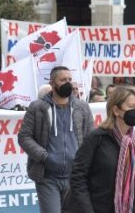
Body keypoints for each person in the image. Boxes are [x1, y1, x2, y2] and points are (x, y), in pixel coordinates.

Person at [66, 85, 135, 213]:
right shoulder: (96, 138)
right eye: (131, 107)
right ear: (116, 110)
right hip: (97, 207)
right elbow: (78, 177)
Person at [19, 66, 94, 213]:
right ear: (53, 83)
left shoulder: (82, 107)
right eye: (63, 80)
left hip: (75, 177)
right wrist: (45, 157)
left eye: (70, 79)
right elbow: (24, 137)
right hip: (47, 176)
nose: (68, 83)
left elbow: (91, 139)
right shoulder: (37, 107)